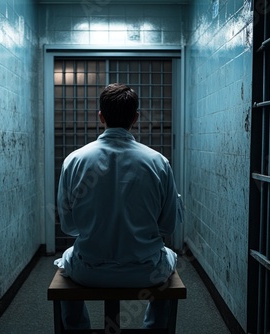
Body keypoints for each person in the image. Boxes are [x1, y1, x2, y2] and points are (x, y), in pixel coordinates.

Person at [54, 83, 183, 330]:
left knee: (65, 261)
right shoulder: (158, 162)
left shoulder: (75, 160)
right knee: (170, 260)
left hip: (89, 271)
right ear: (135, 118)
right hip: (146, 271)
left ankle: (77, 330)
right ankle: (154, 330)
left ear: (100, 116)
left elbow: (70, 227)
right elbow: (167, 226)